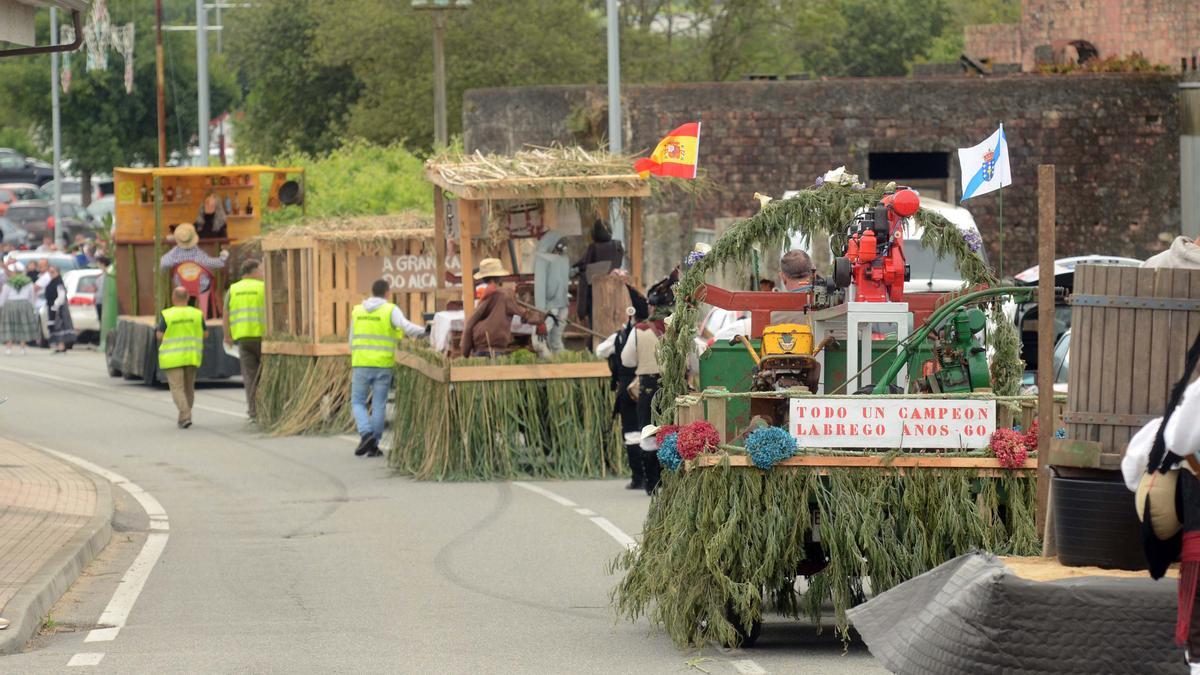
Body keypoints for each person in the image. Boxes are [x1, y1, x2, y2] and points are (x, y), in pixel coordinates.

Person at [350, 279, 426, 457]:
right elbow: (406, 327)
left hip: (361, 363)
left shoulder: (357, 311)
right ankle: (373, 443)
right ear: (387, 293)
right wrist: (426, 331)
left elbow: (351, 338)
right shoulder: (390, 310)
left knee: (358, 402)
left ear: (371, 291)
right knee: (379, 405)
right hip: (384, 364)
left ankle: (366, 434)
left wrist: (353, 357)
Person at [598, 299, 650, 490]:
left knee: (631, 434)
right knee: (649, 431)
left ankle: (638, 477)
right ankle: (651, 476)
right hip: (647, 386)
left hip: (628, 389)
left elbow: (600, 351)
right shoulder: (651, 333)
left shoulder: (618, 337)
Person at [621, 292, 669, 495]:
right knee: (673, 432)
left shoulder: (639, 330)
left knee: (649, 434)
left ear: (651, 307)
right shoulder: (681, 328)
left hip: (648, 387)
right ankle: (671, 481)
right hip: (674, 388)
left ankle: (652, 484)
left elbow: (627, 361)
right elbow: (694, 362)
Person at [460, 258, 544, 357]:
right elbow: (523, 313)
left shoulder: (485, 296)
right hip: (495, 347)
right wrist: (541, 320)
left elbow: (470, 323)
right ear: (499, 277)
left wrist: (465, 352)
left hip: (480, 346)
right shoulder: (505, 295)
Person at [157, 287, 206, 429]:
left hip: (172, 357)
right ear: (187, 298)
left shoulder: (167, 314)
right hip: (191, 356)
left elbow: (160, 335)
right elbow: (205, 333)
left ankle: (185, 414)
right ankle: (183, 417)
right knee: (189, 388)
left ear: (173, 298)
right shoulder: (197, 314)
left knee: (177, 388)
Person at [223, 258, 266, 422]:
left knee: (250, 376)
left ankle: (254, 411)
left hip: (243, 339)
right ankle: (266, 408)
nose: (262, 273)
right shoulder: (263, 288)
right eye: (260, 270)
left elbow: (226, 315)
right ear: (253, 271)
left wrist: (227, 336)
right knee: (265, 375)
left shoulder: (232, 290)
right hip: (262, 337)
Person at [575, 219, 625, 326]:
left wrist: (581, 312)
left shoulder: (592, 250)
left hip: (596, 300)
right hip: (616, 299)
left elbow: (584, 278)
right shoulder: (617, 246)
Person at [534, 231, 571, 353]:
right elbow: (541, 287)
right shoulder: (549, 260)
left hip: (556, 305)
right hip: (556, 306)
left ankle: (553, 363)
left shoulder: (556, 260)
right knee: (548, 340)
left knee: (547, 340)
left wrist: (540, 315)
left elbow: (540, 287)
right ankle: (555, 365)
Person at [0, 273, 39, 354]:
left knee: (9, 325)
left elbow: (3, 297)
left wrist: (1, 306)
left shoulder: (8, 283)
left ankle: (9, 348)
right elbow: (32, 297)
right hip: (24, 305)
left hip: (10, 305)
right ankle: (22, 347)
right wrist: (32, 307)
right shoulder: (29, 283)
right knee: (23, 325)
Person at [44, 265, 75, 353]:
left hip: (59, 308)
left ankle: (62, 346)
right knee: (54, 326)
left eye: (53, 272)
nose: (51, 274)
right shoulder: (52, 281)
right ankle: (59, 345)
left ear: (57, 272)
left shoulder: (58, 282)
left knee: (60, 326)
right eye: (49, 272)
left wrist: (55, 306)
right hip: (52, 307)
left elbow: (61, 296)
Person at [93, 255, 111, 324]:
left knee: (104, 322)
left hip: (104, 302)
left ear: (102, 264)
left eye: (98, 263)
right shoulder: (101, 276)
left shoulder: (108, 275)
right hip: (99, 302)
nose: (97, 265)